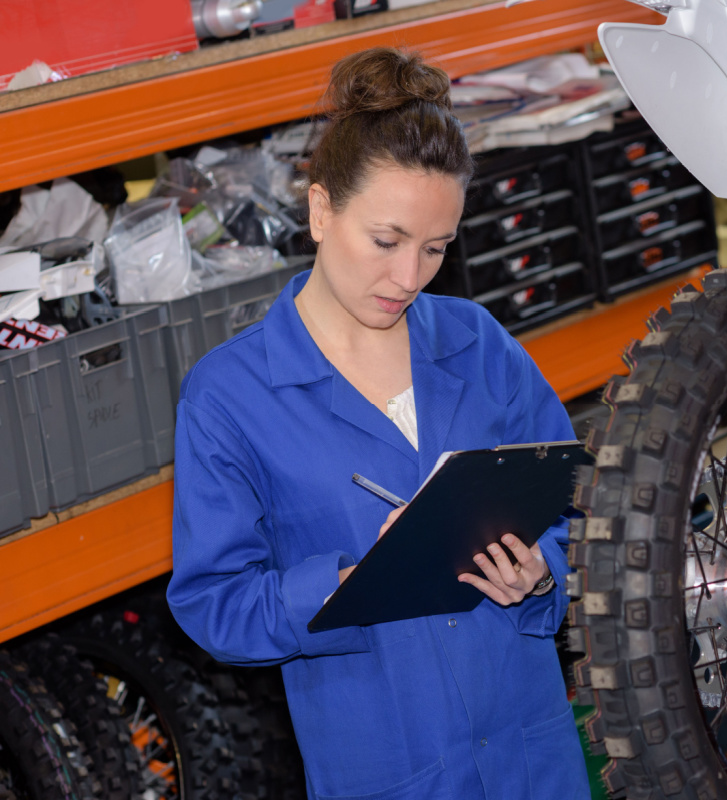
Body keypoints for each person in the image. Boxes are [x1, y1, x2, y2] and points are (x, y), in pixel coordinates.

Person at [166, 48, 590, 800]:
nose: (409, 278)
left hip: (532, 757)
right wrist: (350, 585)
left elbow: (571, 497)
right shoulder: (230, 397)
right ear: (321, 210)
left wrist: (542, 570)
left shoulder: (479, 344)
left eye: (436, 249)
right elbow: (214, 603)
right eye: (387, 242)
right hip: (388, 771)